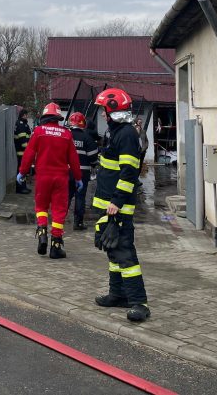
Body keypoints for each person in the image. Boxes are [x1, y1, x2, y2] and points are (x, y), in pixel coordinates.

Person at [91, 88, 150, 322]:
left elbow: (129, 172)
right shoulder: (116, 132)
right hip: (108, 204)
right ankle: (117, 294)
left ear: (113, 110)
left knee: (125, 253)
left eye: (104, 110)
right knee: (113, 250)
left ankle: (139, 303)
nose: (102, 114)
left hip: (118, 206)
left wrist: (116, 202)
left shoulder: (125, 134)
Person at [17, 102, 81, 259]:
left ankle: (42, 235)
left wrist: (22, 172)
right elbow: (73, 159)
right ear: (58, 117)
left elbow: (29, 154)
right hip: (60, 178)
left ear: (45, 116)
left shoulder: (38, 131)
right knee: (59, 210)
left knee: (41, 206)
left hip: (43, 177)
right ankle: (56, 246)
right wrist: (78, 178)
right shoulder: (66, 134)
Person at [66, 112, 99, 231]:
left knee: (66, 196)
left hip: (67, 171)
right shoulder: (87, 138)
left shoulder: (66, 135)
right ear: (83, 124)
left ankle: (59, 220)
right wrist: (93, 165)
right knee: (80, 197)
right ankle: (78, 223)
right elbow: (93, 157)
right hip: (82, 173)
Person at [13, 108, 32, 194]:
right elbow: (23, 142)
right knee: (21, 170)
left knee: (23, 170)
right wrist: (30, 149)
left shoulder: (23, 124)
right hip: (22, 152)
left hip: (23, 151)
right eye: (26, 115)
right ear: (23, 115)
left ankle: (23, 186)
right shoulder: (21, 125)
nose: (27, 116)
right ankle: (20, 188)